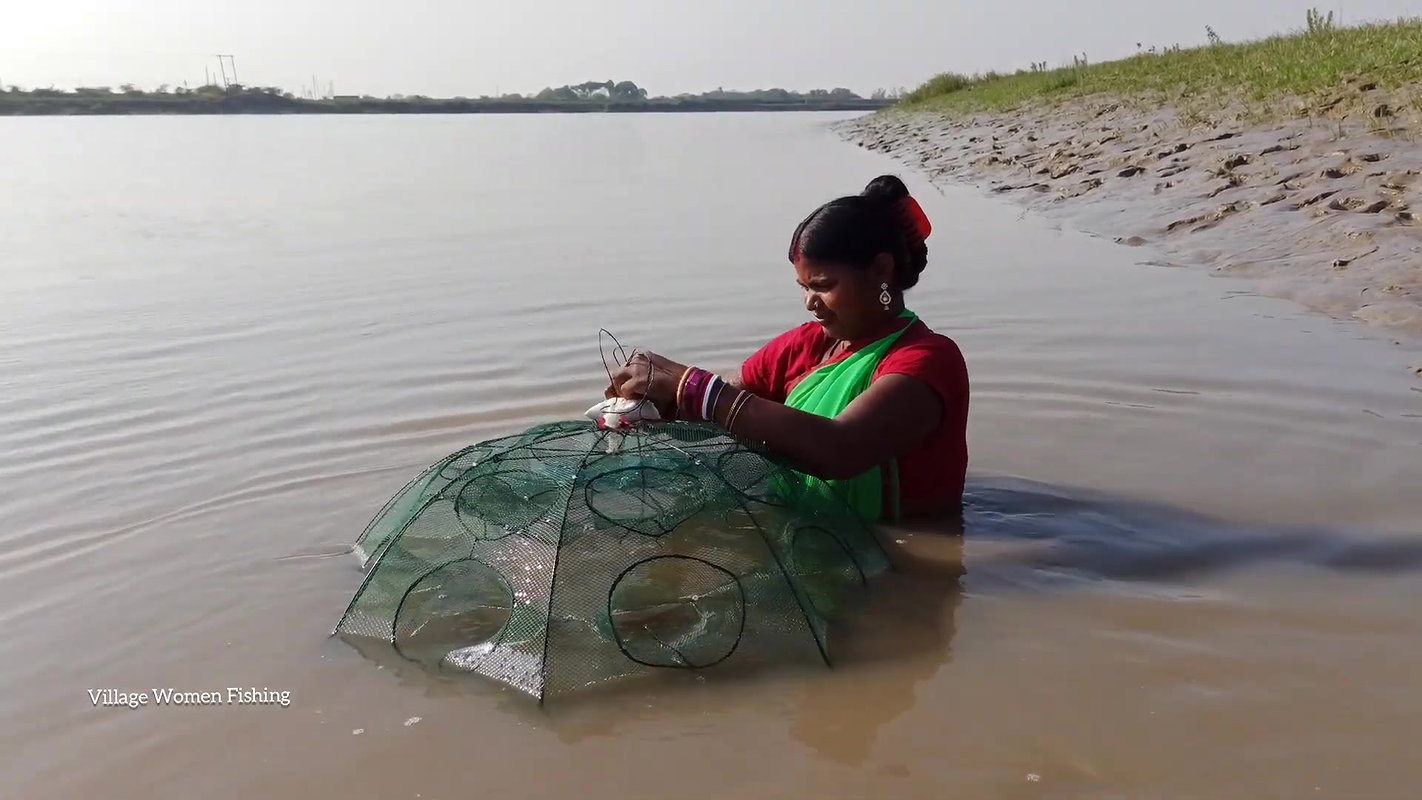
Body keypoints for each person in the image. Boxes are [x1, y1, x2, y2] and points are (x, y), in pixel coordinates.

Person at [605, 174, 969, 522]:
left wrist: (693, 387)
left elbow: (841, 450)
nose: (811, 302)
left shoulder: (929, 359)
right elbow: (726, 412)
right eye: (803, 287)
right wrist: (656, 404)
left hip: (894, 553)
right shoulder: (806, 345)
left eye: (823, 285)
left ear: (881, 271)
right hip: (808, 529)